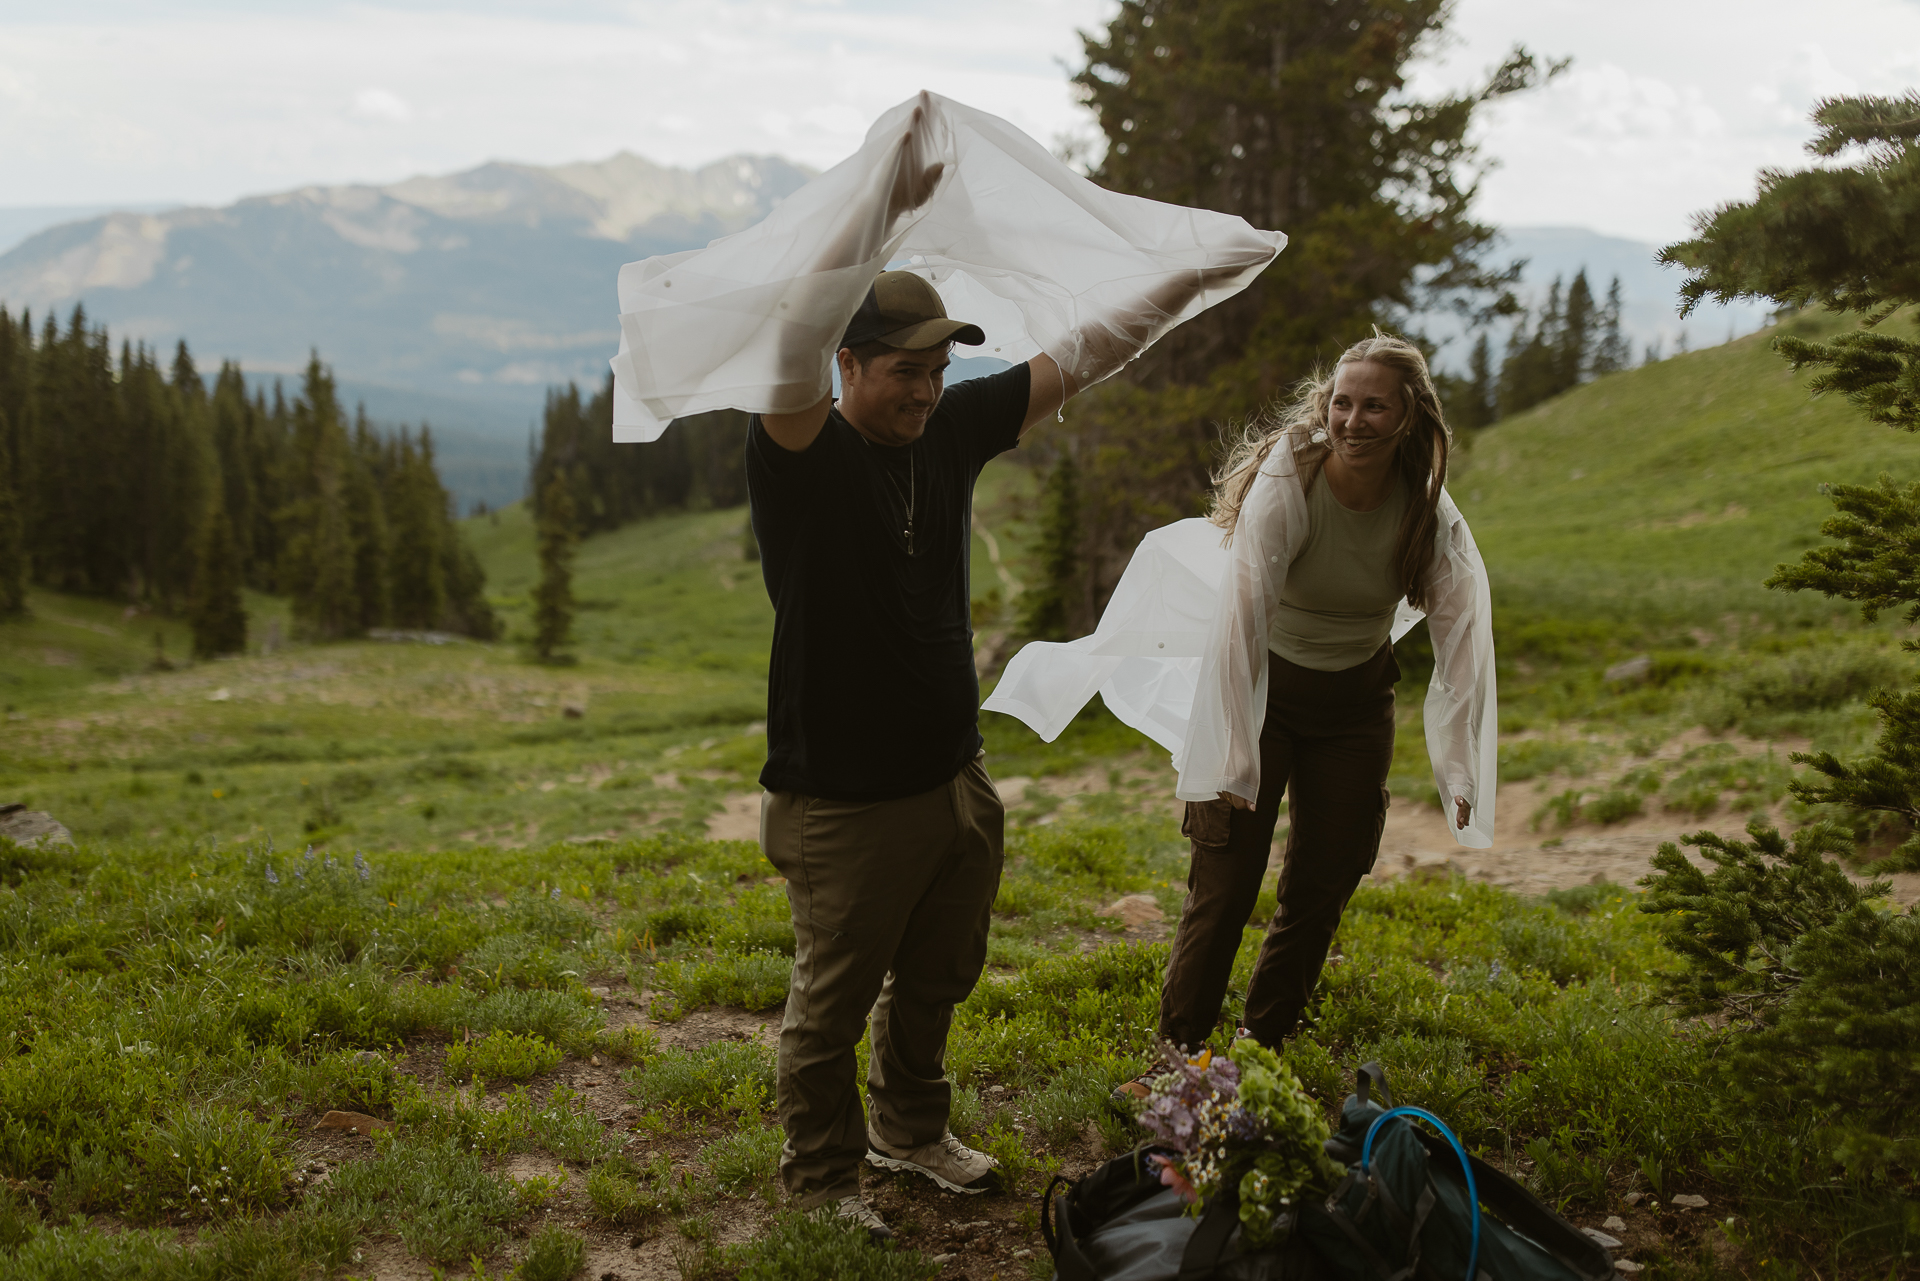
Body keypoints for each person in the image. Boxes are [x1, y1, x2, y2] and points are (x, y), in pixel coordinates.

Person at [750, 261, 1264, 1237]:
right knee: (832, 1002)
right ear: (847, 362)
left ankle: (906, 1127)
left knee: (942, 969)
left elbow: (1079, 357)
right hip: (843, 799)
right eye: (904, 368)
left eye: (938, 368)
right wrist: (882, 201)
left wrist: (1185, 282)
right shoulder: (802, 456)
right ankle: (820, 1182)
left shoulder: (945, 430)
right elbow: (783, 359)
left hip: (954, 775)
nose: (925, 388)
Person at [1104, 332, 1497, 1095]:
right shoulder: (1291, 476)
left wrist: (1458, 766)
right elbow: (1241, 624)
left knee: (1321, 885)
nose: (1352, 420)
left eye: (1374, 405)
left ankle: (1259, 1056)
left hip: (1355, 706)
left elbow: (1462, 645)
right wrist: (1232, 755)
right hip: (1261, 692)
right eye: (1341, 402)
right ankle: (1176, 1061)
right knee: (1226, 879)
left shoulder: (1427, 509)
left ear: (1410, 415)